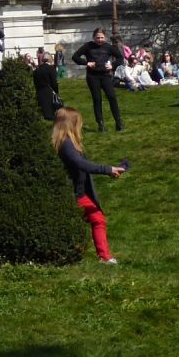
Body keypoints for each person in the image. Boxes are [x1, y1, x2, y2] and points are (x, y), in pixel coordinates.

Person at [51, 106, 125, 264]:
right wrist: (108, 169)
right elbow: (81, 164)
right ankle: (103, 257)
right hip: (73, 194)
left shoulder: (67, 143)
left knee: (97, 219)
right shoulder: (66, 144)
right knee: (97, 219)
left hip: (78, 192)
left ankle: (104, 256)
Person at [71, 28, 124, 133]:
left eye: (102, 38)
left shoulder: (108, 47)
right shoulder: (88, 46)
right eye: (97, 38)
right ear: (93, 37)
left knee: (112, 97)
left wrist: (112, 65)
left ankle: (119, 122)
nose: (100, 40)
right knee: (97, 99)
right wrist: (86, 63)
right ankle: (101, 124)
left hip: (105, 75)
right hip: (92, 76)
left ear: (105, 37)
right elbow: (75, 57)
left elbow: (120, 58)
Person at [33, 48, 61, 117]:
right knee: (50, 112)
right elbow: (54, 82)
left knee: (43, 111)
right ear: (50, 59)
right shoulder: (51, 69)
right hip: (49, 91)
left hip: (39, 91)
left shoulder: (37, 70)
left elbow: (35, 82)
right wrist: (56, 92)